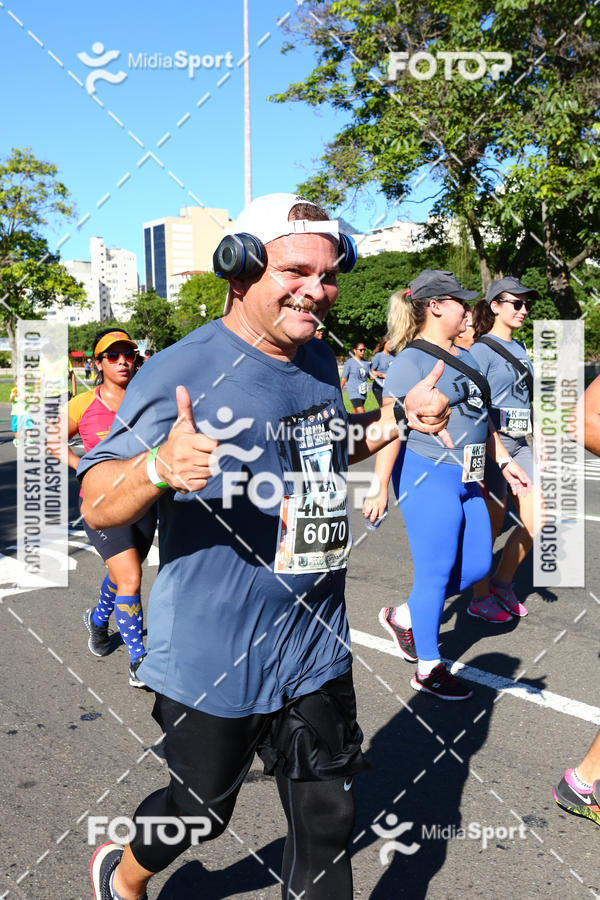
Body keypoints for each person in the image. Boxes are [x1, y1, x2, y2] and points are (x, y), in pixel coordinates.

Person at [79, 194, 453, 900]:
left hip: (313, 642)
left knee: (328, 819)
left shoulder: (315, 359)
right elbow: (95, 498)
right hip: (214, 653)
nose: (318, 289)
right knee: (199, 812)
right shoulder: (180, 370)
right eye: (296, 270)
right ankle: (122, 873)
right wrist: (158, 467)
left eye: (329, 272)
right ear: (240, 270)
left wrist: (394, 422)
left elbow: (316, 451)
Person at [365, 270, 531, 701]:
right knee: (436, 572)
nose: (466, 308)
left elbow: (483, 421)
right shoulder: (410, 361)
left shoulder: (469, 356)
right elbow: (389, 428)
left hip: (469, 476)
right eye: (459, 301)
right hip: (427, 474)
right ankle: (428, 666)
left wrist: (505, 460)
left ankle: (404, 615)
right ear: (436, 306)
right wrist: (380, 484)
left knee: (476, 567)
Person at [57, 329, 157, 688]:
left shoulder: (146, 399)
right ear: (98, 363)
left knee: (120, 575)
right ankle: (138, 659)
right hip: (100, 506)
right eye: (112, 356)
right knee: (131, 576)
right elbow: (54, 440)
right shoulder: (83, 404)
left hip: (143, 502)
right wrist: (81, 469)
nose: (122, 362)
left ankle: (98, 620)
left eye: (128, 354)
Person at [468, 277, 540, 621]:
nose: (524, 310)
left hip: (521, 442)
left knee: (537, 518)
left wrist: (538, 436)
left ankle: (502, 582)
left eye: (527, 304)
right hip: (491, 446)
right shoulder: (480, 350)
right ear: (495, 305)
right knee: (491, 527)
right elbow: (474, 405)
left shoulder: (521, 348)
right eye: (517, 303)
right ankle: (479, 597)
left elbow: (527, 399)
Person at [340, 340, 370, 413]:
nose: (363, 351)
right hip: (353, 391)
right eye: (360, 350)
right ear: (354, 350)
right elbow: (344, 378)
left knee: (356, 411)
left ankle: (350, 423)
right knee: (361, 411)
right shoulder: (349, 362)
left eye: (364, 350)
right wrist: (339, 390)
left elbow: (370, 377)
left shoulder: (366, 363)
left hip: (363, 392)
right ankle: (367, 424)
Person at [370, 336, 394, 407]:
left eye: (392, 344)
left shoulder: (393, 357)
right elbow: (371, 373)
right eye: (389, 343)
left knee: (391, 407)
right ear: (384, 344)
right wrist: (382, 375)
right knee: (384, 407)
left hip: (390, 387)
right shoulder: (378, 356)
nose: (391, 345)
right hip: (379, 387)